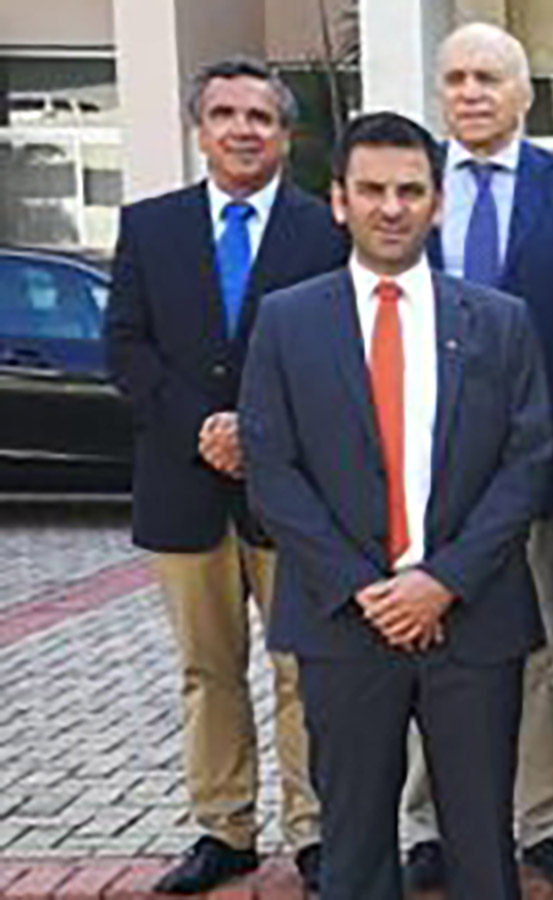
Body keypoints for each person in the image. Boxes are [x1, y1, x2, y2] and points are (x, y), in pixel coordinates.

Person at [239, 111, 553, 900]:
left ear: (438, 203)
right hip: (344, 622)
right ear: (338, 200)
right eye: (372, 190)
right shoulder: (285, 320)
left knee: (483, 848)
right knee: (352, 853)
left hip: (472, 621)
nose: (391, 208)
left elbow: (527, 463)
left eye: (410, 191)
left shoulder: (501, 322)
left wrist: (441, 582)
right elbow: (273, 471)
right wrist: (364, 590)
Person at [104, 56, 344, 895]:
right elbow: (125, 347)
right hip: (184, 488)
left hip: (294, 493)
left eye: (261, 117)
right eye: (226, 115)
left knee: (304, 669)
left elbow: (336, 356)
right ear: (199, 129)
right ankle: (224, 829)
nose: (244, 130)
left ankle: (316, 831)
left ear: (286, 133)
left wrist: (258, 432)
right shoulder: (150, 226)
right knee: (208, 672)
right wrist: (201, 428)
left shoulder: (324, 231)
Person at [397, 23, 553, 889]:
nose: (471, 92)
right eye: (455, 78)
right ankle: (428, 823)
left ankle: (546, 816)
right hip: (423, 463)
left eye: (488, 77)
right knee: (426, 640)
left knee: (546, 645)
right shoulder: (410, 182)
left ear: (524, 92)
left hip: (539, 460)